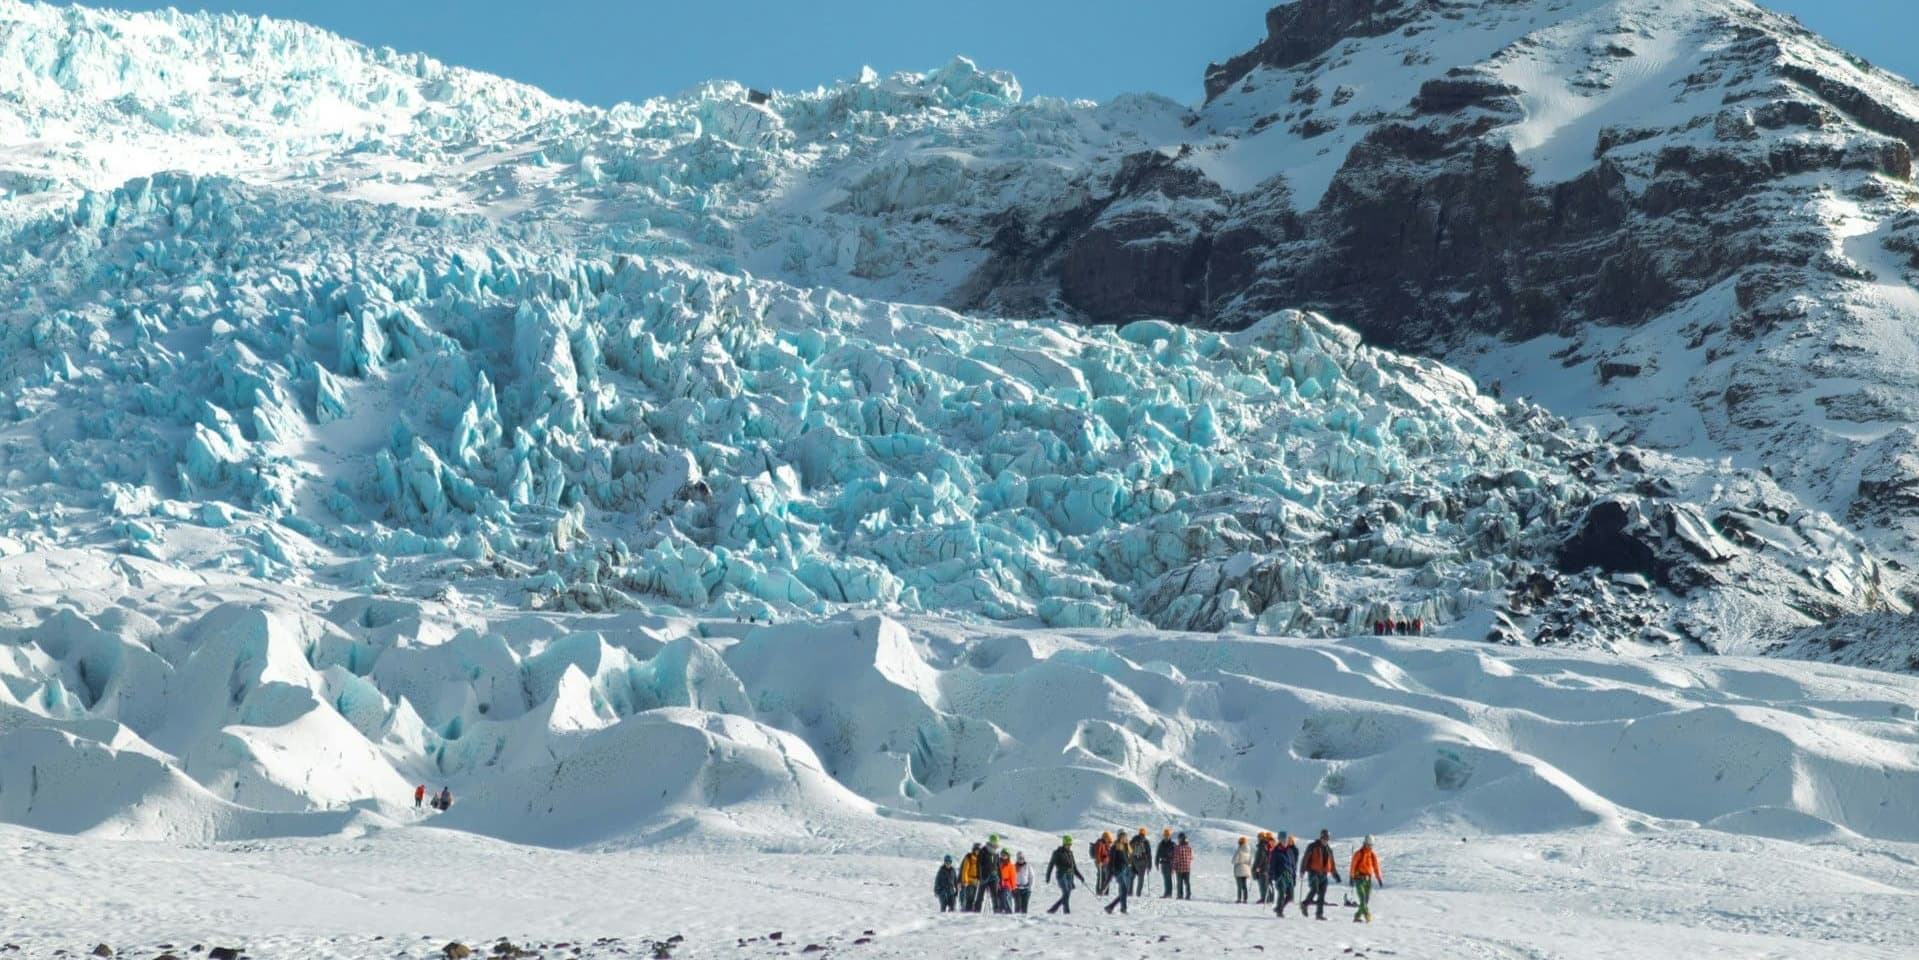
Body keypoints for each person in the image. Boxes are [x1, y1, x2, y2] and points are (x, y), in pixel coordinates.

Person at [1301, 830, 1342, 920]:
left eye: (1327, 838)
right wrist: (1302, 870)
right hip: (1313, 873)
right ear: (1321, 838)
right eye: (1324, 838)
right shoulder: (1313, 846)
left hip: (1324, 875)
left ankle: (1319, 914)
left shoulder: (1329, 850)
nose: (1325, 840)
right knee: (1315, 889)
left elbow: (1332, 864)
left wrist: (1335, 875)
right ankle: (1305, 904)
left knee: (1322, 895)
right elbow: (1305, 858)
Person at [1046, 835, 1086, 914]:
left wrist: (1080, 877)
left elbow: (1074, 867)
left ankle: (1059, 910)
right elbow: (1051, 865)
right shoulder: (1057, 853)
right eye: (1068, 844)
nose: (1069, 846)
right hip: (1061, 875)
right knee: (1066, 893)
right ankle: (1061, 911)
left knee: (1067, 894)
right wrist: (1048, 876)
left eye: (1070, 844)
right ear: (1064, 844)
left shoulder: (1070, 853)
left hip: (1069, 876)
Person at [1350, 836, 1383, 923]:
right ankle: (1367, 916)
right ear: (1364, 843)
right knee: (1362, 899)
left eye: (1371, 845)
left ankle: (1357, 916)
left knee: (1365, 901)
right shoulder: (1358, 854)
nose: (1370, 846)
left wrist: (1379, 878)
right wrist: (1351, 877)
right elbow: (1353, 866)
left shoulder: (1372, 855)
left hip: (1368, 881)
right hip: (1359, 880)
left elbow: (1376, 868)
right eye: (1368, 844)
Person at [1270, 831, 1300, 916]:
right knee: (1282, 892)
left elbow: (1293, 865)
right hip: (1280, 875)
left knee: (1290, 896)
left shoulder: (1290, 851)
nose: (1284, 841)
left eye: (1285, 839)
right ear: (1279, 840)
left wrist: (1294, 877)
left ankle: (1279, 908)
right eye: (1282, 839)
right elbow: (1272, 865)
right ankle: (1279, 912)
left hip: (1289, 875)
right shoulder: (1276, 851)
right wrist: (1271, 876)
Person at [1104, 834, 1134, 914]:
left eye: (1126, 837)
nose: (1126, 838)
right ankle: (1122, 909)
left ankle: (1111, 907)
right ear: (1120, 837)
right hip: (1118, 871)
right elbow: (1112, 861)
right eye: (1124, 837)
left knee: (1124, 891)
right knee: (1124, 890)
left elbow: (1128, 859)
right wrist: (1111, 872)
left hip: (1124, 871)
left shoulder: (1126, 846)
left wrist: (1129, 864)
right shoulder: (1116, 847)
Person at [960, 844, 982, 913]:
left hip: (977, 881)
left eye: (979, 850)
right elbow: (965, 870)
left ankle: (972, 909)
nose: (977, 852)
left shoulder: (980, 859)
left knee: (975, 897)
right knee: (970, 896)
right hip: (969, 880)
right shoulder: (969, 857)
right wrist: (965, 880)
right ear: (974, 850)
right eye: (976, 850)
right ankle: (968, 909)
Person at [1172, 832, 1195, 900]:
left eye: (1179, 838)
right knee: (1187, 882)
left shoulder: (1177, 848)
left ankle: (1180, 895)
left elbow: (1176, 858)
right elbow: (1191, 857)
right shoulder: (1189, 847)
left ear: (1180, 839)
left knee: (1179, 883)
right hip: (1187, 868)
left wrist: (1173, 867)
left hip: (1179, 868)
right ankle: (1188, 895)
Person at [1253, 833, 1274, 904]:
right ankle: (1269, 898)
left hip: (1262, 867)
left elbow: (1261, 857)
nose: (1258, 838)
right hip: (1266, 867)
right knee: (1266, 883)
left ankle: (1264, 898)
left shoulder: (1262, 846)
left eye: (1259, 837)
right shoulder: (1266, 845)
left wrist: (1257, 866)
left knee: (1262, 883)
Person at [1130, 829, 1151, 895]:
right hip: (1142, 862)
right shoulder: (1146, 842)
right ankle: (1138, 894)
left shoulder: (1133, 840)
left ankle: (1129, 893)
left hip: (1133, 861)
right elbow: (1149, 854)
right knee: (1140, 879)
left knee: (1131, 878)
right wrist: (1149, 865)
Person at [1232, 837, 1254, 903]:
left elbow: (1234, 860)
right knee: (1244, 885)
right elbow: (1250, 862)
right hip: (1246, 869)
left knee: (1239, 886)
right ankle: (1245, 899)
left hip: (1239, 869)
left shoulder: (1239, 850)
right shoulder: (1249, 851)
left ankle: (1239, 899)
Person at [1156, 829, 1176, 898]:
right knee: (1165, 878)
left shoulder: (1173, 844)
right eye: (1165, 835)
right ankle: (1166, 893)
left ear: (1170, 836)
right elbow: (1157, 854)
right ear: (1164, 835)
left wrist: (1174, 864)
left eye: (1168, 835)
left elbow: (1176, 854)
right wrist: (1156, 862)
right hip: (1163, 863)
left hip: (1170, 863)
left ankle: (1169, 893)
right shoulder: (1161, 844)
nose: (1166, 836)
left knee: (1169, 878)